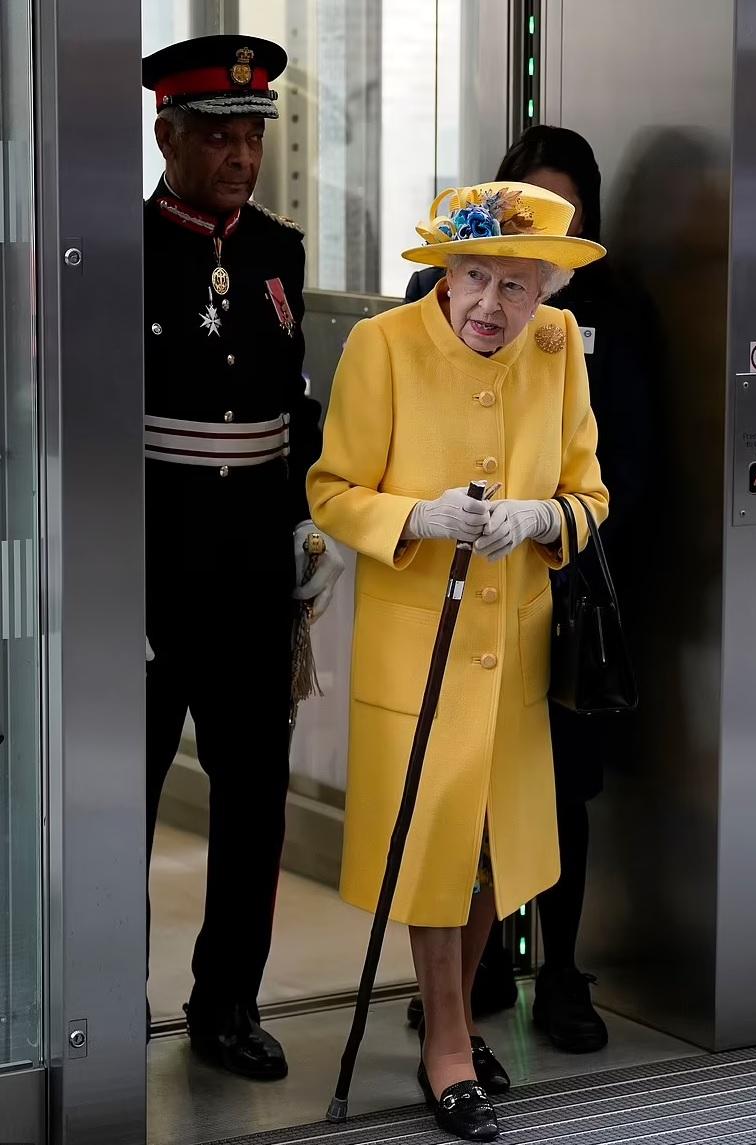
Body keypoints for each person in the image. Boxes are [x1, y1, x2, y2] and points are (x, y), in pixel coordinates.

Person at [308, 182, 607, 1140]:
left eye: (516, 286)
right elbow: (331, 489)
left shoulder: (556, 350)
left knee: (489, 849)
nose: (489, 303)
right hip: (418, 651)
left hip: (512, 647)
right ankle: (447, 1044)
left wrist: (541, 517)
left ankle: (454, 1020)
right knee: (434, 841)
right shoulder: (383, 345)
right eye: (474, 276)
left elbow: (589, 493)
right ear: (445, 271)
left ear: (545, 290)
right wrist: (417, 517)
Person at [405, 125, 654, 1054]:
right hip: (455, 577)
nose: (544, 239)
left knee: (558, 788)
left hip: (565, 583)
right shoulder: (438, 302)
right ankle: (459, 984)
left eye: (566, 217)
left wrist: (556, 525)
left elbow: (628, 457)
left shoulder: (611, 312)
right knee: (456, 796)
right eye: (526, 211)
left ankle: (560, 970)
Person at [141, 35, 343, 1080]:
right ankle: (99, 994)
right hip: (147, 575)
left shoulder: (275, 250)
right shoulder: (119, 248)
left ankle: (226, 1003)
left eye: (252, 136)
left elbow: (290, 405)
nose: (240, 156)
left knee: (254, 798)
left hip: (253, 576)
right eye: (219, 136)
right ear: (166, 135)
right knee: (118, 798)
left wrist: (309, 516)